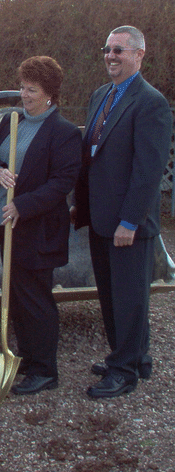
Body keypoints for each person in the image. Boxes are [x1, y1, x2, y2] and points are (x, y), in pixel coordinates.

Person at [71, 26, 172, 399]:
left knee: (130, 299)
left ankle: (123, 372)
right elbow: (91, 156)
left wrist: (130, 220)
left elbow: (148, 170)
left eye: (119, 50)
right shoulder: (101, 95)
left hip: (128, 223)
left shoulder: (151, 103)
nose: (111, 56)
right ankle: (133, 357)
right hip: (100, 217)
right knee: (112, 296)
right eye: (107, 50)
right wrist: (80, 205)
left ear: (139, 55)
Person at [0, 56, 82, 395]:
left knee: (35, 298)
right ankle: (25, 355)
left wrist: (23, 205)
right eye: (22, 87)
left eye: (32, 90)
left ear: (50, 96)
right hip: (3, 224)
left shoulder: (63, 133)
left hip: (35, 231)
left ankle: (44, 370)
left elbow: (62, 182)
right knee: (17, 294)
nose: (24, 95)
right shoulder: (13, 121)